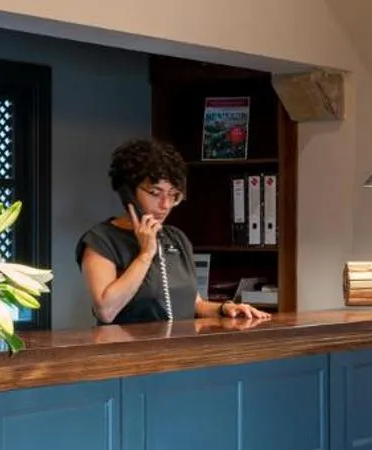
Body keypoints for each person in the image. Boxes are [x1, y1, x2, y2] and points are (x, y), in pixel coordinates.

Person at [77, 138, 273, 326]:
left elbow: (194, 304)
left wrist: (225, 308)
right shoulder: (101, 241)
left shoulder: (176, 238)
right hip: (129, 354)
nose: (165, 205)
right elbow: (106, 311)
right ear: (128, 192)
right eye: (155, 193)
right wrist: (145, 254)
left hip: (177, 352)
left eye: (173, 195)